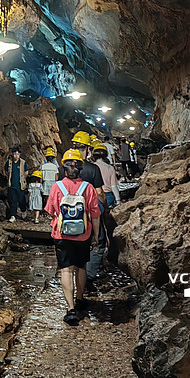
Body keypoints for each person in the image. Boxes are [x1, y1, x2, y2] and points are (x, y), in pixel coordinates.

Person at [45, 149, 101, 326]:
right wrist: (96, 235)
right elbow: (95, 214)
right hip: (83, 234)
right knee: (81, 267)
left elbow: (51, 211)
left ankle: (70, 309)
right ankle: (80, 298)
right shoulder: (88, 188)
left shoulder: (57, 187)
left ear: (64, 168)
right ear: (80, 168)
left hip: (62, 234)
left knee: (66, 270)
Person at [64, 132, 107, 289]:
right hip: (89, 213)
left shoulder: (66, 169)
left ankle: (72, 275)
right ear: (88, 148)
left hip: (68, 214)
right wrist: (105, 209)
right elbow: (100, 193)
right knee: (98, 242)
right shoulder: (92, 169)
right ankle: (87, 277)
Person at [92, 143, 122, 269]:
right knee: (109, 226)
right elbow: (114, 186)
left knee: (96, 225)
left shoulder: (92, 167)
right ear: (105, 155)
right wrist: (118, 200)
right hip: (108, 196)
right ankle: (111, 253)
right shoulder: (109, 168)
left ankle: (97, 249)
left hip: (94, 197)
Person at [4, 146, 29, 222]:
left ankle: (23, 211)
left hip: (20, 185)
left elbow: (26, 172)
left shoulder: (23, 162)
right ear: (12, 154)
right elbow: (5, 171)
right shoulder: (9, 162)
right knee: (13, 201)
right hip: (12, 185)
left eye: (17, 154)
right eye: (15, 154)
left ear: (20, 154)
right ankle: (13, 215)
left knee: (22, 200)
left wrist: (22, 178)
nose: (16, 156)